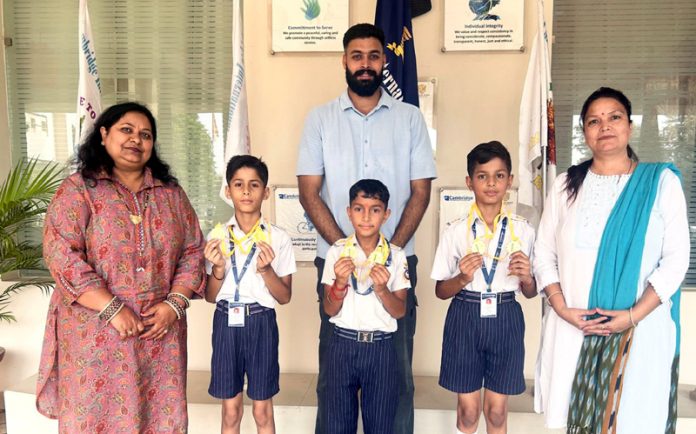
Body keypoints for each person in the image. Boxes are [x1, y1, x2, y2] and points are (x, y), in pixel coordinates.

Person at [296, 23, 436, 434]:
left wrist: (385, 254)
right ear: (344, 60)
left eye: (374, 56)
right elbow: (309, 192)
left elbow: (420, 192)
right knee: (334, 383)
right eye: (356, 55)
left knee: (398, 382)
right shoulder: (319, 119)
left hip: (396, 263)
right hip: (334, 265)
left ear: (384, 60)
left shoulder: (409, 119)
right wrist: (349, 250)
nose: (365, 63)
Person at [37, 102, 205, 432]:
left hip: (160, 334)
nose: (135, 140)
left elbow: (193, 251)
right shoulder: (79, 190)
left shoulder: (170, 194)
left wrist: (175, 304)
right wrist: (112, 308)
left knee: (158, 417)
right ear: (103, 134)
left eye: (145, 135)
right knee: (94, 417)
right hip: (96, 334)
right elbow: (61, 254)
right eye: (126, 130)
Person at [533, 87, 689, 433]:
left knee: (634, 420)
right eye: (594, 120)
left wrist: (632, 315)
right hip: (574, 328)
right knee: (577, 420)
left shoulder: (660, 183)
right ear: (585, 132)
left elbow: (676, 262)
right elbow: (543, 254)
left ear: (629, 126)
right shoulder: (564, 186)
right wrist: (561, 309)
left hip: (640, 331)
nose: (605, 126)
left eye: (614, 117)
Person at [431, 141, 537, 434]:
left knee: (497, 412)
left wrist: (528, 278)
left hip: (506, 315)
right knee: (468, 412)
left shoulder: (524, 230)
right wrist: (462, 278)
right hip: (464, 315)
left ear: (510, 181)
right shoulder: (455, 231)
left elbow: (530, 292)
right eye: (482, 176)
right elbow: (440, 290)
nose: (491, 183)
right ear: (469, 181)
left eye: (499, 175)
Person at [203, 155, 296, 434]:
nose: (246, 191)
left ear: (265, 192)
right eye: (238, 184)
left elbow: (285, 297)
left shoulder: (278, 238)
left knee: (261, 409)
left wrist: (266, 270)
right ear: (228, 190)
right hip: (225, 321)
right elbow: (210, 296)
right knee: (230, 410)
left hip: (261, 321)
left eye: (254, 185)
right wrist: (218, 268)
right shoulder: (216, 236)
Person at [320, 179, 410, 434]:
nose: (367, 216)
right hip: (342, 345)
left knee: (380, 425)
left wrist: (382, 289)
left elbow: (400, 311)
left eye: (375, 209)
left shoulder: (396, 256)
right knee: (338, 425)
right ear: (349, 212)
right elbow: (330, 309)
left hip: (380, 347)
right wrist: (339, 282)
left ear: (386, 214)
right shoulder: (337, 253)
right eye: (359, 208)